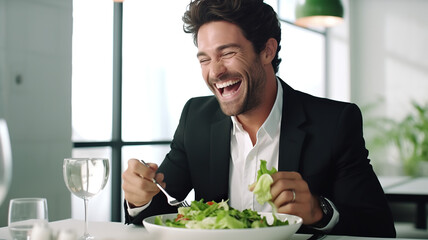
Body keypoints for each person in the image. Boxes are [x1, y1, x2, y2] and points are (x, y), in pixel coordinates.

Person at [122, 0, 396, 237]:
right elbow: (162, 211)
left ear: (267, 50)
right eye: (204, 60)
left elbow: (379, 229)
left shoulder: (334, 123)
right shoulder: (196, 118)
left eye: (227, 53)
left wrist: (319, 211)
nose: (215, 71)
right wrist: (139, 198)